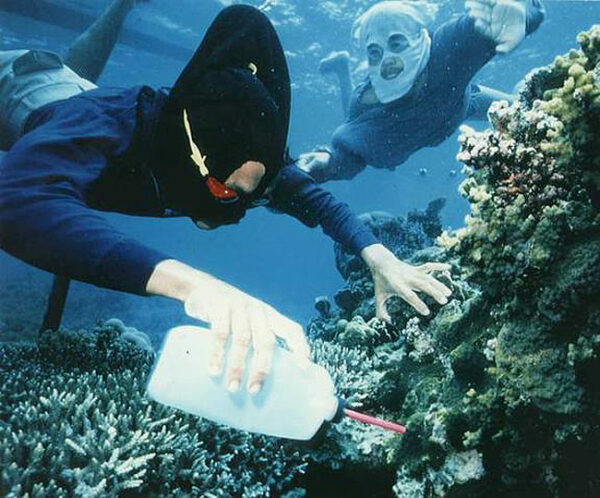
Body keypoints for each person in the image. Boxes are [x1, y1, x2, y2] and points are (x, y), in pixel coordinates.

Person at [0, 4, 451, 396]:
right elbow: (14, 203)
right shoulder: (108, 132)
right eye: (224, 191)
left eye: (252, 193)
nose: (235, 204)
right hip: (20, 90)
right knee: (52, 81)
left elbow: (313, 199)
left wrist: (379, 258)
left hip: (73, 92)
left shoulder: (245, 151)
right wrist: (195, 287)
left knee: (73, 77)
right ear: (192, 157)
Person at [298, 0, 546, 182]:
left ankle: (342, 67)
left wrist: (522, 12)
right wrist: (327, 164)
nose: (387, 60)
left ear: (420, 38)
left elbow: (491, 23)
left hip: (460, 104)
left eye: (397, 43)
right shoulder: (365, 107)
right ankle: (343, 69)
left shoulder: (444, 52)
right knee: (350, 113)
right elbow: (350, 157)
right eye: (375, 52)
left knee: (521, 107)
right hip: (438, 115)